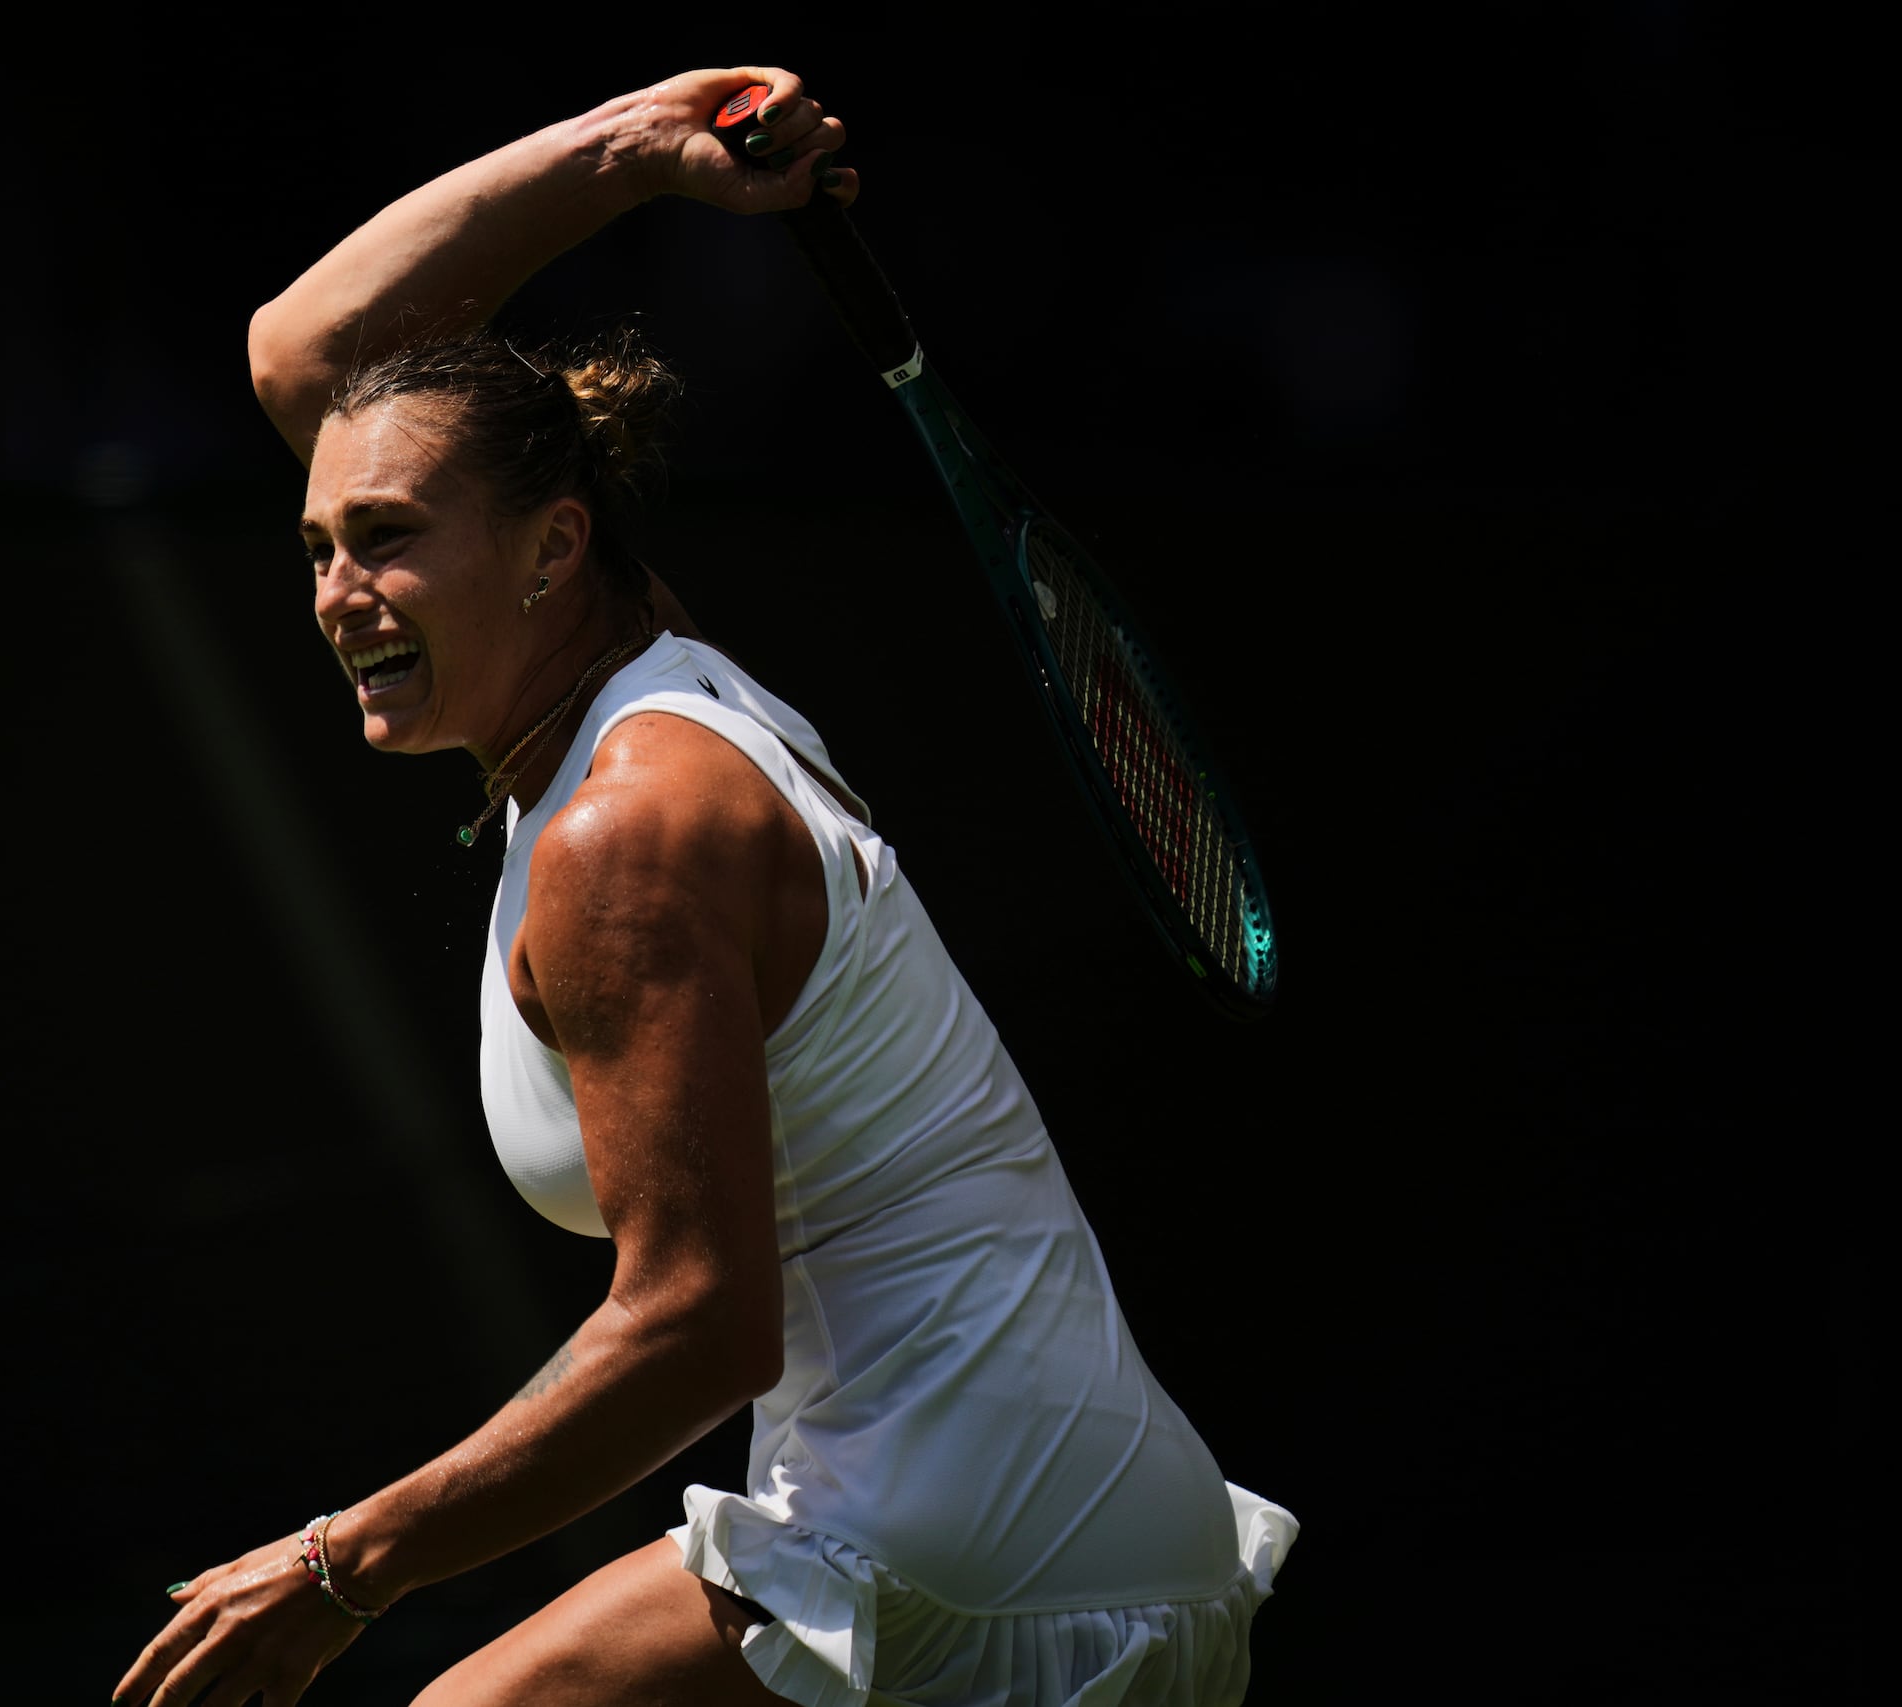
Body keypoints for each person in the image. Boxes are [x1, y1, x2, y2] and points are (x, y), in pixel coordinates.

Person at [111, 66, 1294, 1707]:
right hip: (1045, 1526)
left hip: (986, 1563)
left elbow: (694, 1330)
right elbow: (304, 354)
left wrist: (339, 1569)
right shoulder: (629, 664)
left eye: (382, 538)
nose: (337, 593)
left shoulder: (629, 835)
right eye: (316, 545)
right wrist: (632, 149)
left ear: (551, 545)